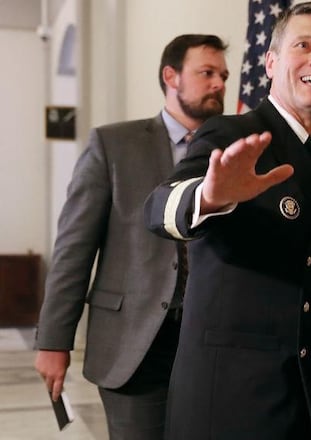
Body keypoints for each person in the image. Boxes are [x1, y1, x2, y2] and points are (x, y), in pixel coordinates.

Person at [143, 3, 311, 440]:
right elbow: (157, 209)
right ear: (272, 61)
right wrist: (210, 196)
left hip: (304, 402)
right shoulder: (229, 134)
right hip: (227, 403)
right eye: (305, 45)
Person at [34, 34, 229, 439]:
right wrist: (54, 341)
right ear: (170, 76)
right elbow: (74, 248)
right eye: (207, 73)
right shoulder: (113, 145)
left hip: (213, 342)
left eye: (223, 75)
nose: (219, 84)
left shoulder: (233, 152)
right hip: (135, 344)